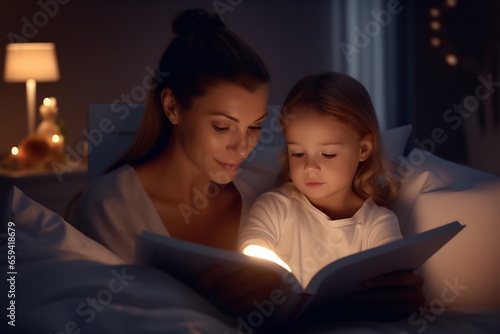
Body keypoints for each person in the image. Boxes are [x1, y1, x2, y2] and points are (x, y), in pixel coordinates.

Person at [75, 8, 423, 321]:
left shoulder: (263, 180)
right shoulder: (111, 207)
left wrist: (399, 293)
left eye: (255, 126)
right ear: (173, 107)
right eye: (222, 127)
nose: (243, 147)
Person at [238, 72, 425, 320]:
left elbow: (390, 286)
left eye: (327, 154)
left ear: (363, 148)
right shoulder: (274, 207)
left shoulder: (378, 222)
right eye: (298, 154)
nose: (310, 168)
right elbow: (249, 260)